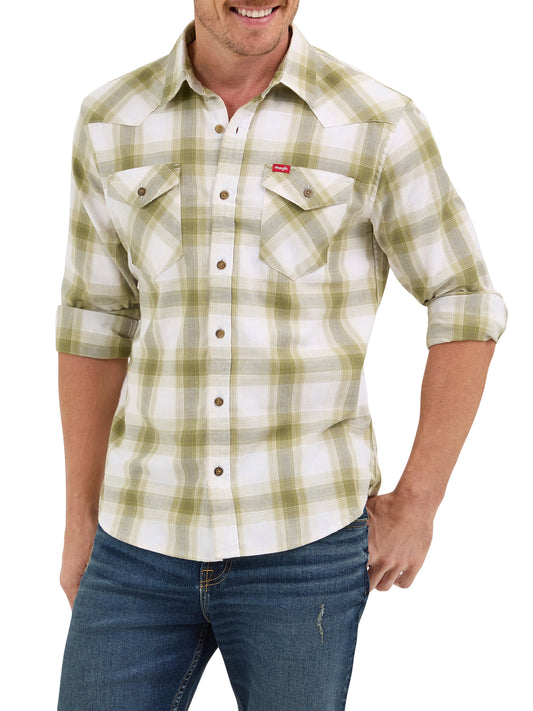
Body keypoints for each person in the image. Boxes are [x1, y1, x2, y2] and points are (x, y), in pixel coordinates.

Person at [55, 2, 507, 709]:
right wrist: (79, 516)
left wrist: (419, 501)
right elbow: (95, 321)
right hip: (136, 541)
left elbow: (464, 302)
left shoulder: (376, 120)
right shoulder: (112, 118)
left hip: (305, 547)